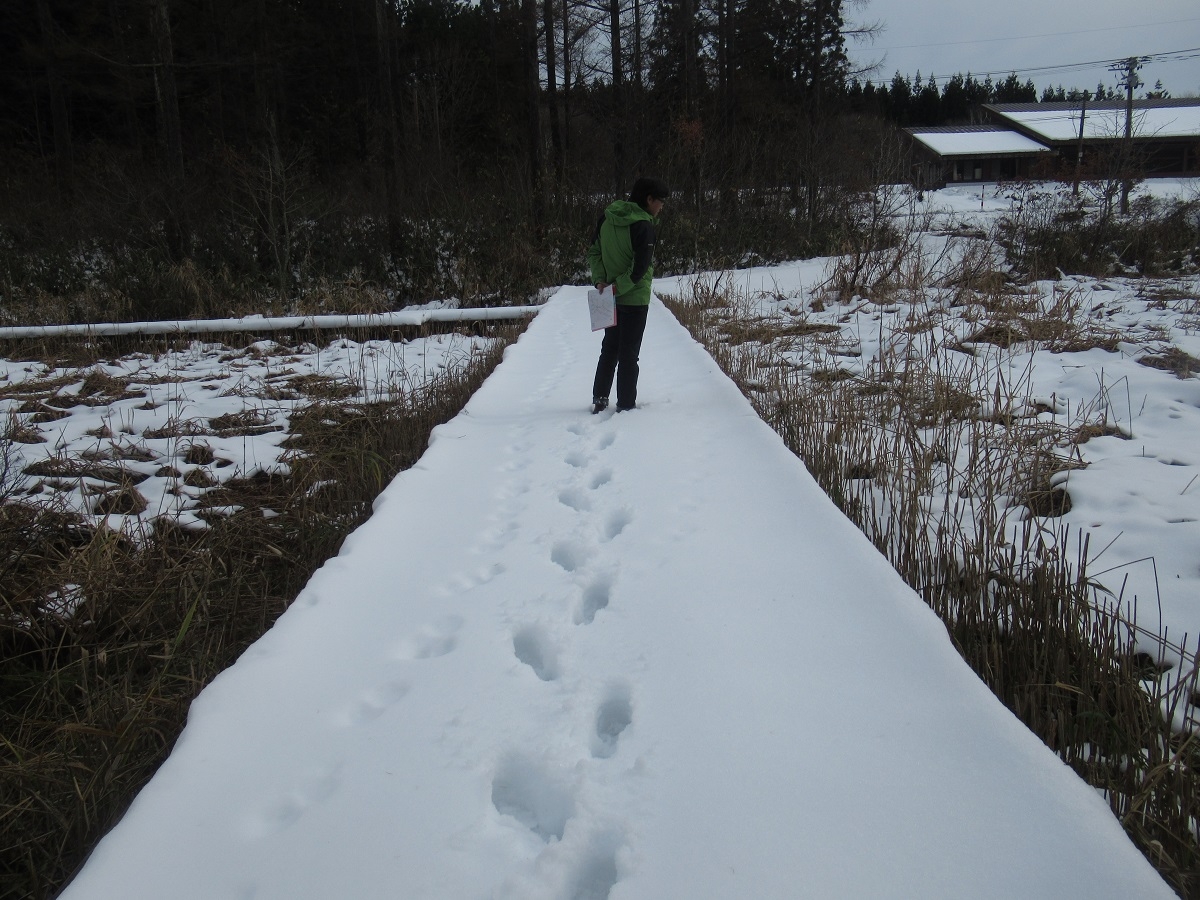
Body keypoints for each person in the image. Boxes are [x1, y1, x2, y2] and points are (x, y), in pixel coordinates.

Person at [586, 176, 670, 414]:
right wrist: (617, 288)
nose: (661, 207)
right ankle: (625, 406)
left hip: (609, 298)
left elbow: (594, 252)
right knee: (629, 355)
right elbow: (639, 268)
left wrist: (602, 281)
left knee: (609, 349)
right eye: (660, 201)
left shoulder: (607, 217)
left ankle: (600, 399)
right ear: (649, 199)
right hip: (633, 299)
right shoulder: (643, 225)